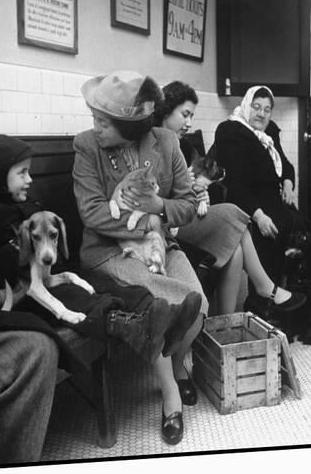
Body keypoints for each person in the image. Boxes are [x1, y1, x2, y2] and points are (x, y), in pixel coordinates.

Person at [0, 134, 191, 462]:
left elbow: (52, 251)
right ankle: (135, 324)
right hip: (24, 296)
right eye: (21, 173)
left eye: (29, 171)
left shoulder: (23, 208)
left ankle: (149, 311)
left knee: (102, 288)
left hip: (51, 277)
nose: (30, 179)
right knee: (80, 297)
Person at [73, 70, 207, 446]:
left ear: (128, 127)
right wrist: (148, 220)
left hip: (158, 245)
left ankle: (178, 365)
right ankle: (171, 397)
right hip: (107, 252)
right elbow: (93, 213)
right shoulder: (86, 146)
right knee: (161, 305)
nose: (96, 127)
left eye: (104, 122)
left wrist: (159, 207)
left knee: (199, 305)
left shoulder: (165, 142)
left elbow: (187, 204)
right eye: (95, 119)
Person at [154, 80, 306, 315]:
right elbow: (160, 194)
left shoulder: (181, 144)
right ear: (166, 110)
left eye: (191, 116)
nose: (189, 123)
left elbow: (188, 184)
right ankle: (265, 287)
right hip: (168, 221)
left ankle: (228, 323)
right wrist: (192, 193)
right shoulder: (152, 144)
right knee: (237, 216)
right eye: (185, 115)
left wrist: (198, 190)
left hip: (187, 212)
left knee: (234, 251)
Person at [213, 85, 311, 308]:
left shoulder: (269, 132)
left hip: (275, 202)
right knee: (274, 232)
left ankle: (301, 303)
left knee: (303, 231)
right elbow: (234, 183)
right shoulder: (230, 131)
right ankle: (263, 304)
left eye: (267, 109)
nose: (261, 114)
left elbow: (287, 166)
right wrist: (259, 216)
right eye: (256, 107)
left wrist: (289, 184)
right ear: (246, 105)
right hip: (248, 204)